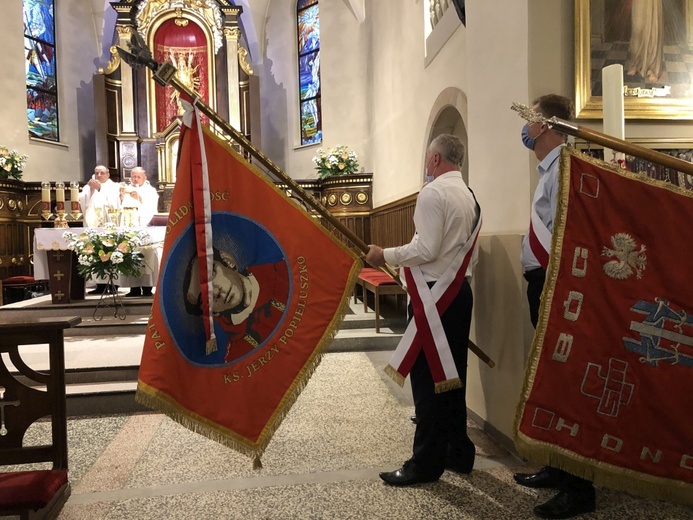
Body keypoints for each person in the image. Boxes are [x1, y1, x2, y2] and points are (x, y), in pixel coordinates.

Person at [365, 133, 481, 486]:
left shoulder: (433, 192)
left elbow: (426, 248)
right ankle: (458, 451)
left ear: (434, 160)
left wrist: (384, 255)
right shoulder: (469, 195)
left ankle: (426, 463)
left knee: (429, 382)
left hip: (435, 296)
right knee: (452, 376)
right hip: (458, 292)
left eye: (426, 159)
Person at [514, 94, 597, 519]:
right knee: (551, 378)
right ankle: (557, 465)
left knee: (566, 383)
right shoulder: (549, 170)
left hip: (555, 285)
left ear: (546, 124)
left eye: (529, 117)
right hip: (542, 283)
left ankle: (579, 488)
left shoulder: (564, 168)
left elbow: (569, 235)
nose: (524, 126)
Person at [183, 247, 289, 362]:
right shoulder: (232, 358)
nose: (215, 293)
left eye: (211, 276)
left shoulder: (286, 273)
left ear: (228, 261)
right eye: (203, 299)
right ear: (212, 312)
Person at [79, 164, 121, 294]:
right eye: (96, 173)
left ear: (108, 174)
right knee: (94, 251)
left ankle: (112, 283)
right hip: (93, 225)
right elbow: (83, 202)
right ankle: (98, 285)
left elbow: (116, 203)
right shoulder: (87, 186)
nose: (98, 175)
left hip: (108, 224)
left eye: (102, 173)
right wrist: (91, 191)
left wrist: (100, 189)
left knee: (109, 252)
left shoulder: (113, 186)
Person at [119, 166, 160, 297]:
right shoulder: (125, 189)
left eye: (138, 177)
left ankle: (147, 288)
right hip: (129, 229)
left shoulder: (150, 191)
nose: (135, 179)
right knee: (129, 255)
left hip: (145, 228)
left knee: (146, 257)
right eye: (133, 176)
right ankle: (134, 288)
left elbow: (152, 208)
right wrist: (120, 198)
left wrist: (140, 199)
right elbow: (118, 208)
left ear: (144, 178)